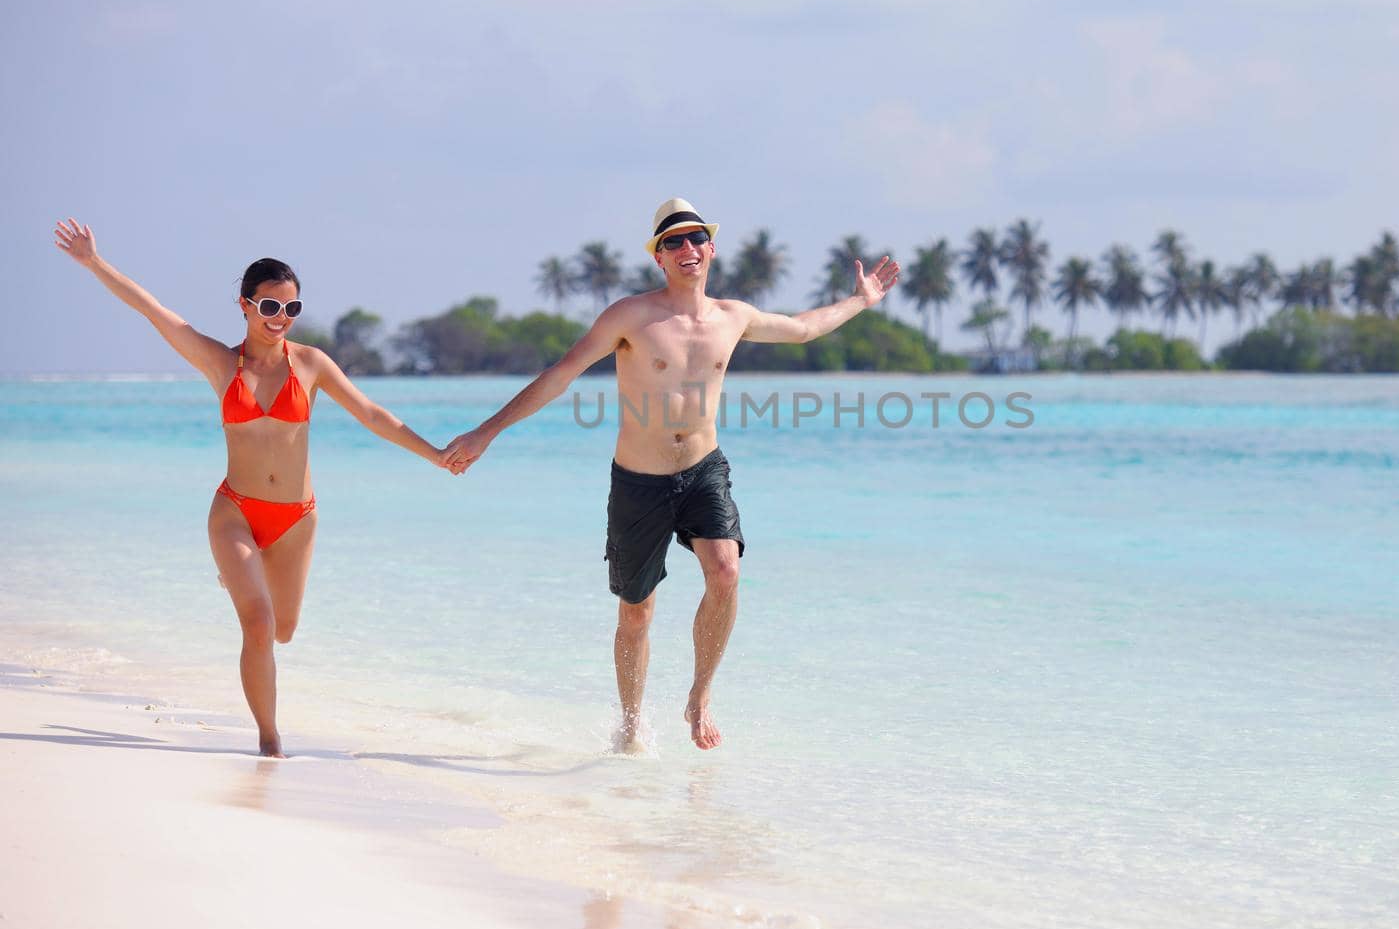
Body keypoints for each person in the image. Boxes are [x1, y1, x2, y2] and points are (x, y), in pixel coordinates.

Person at [443, 198, 899, 752]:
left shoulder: (734, 316)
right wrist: (487, 432)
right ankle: (632, 724)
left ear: (711, 247)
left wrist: (859, 300)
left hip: (704, 469)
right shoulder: (629, 317)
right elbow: (560, 376)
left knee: (726, 572)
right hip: (639, 480)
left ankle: (699, 697)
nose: (687, 249)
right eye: (673, 242)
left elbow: (803, 328)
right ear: (658, 258)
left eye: (695, 238)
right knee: (636, 613)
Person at [54, 218, 453, 757]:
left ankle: (241, 582)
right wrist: (94, 263)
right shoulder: (222, 363)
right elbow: (153, 311)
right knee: (258, 623)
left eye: (292, 308)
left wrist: (435, 455)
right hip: (235, 511)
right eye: (270, 307)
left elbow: (373, 416)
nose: (281, 318)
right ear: (244, 305)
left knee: (284, 630)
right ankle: (269, 739)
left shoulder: (311, 365)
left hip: (296, 518)